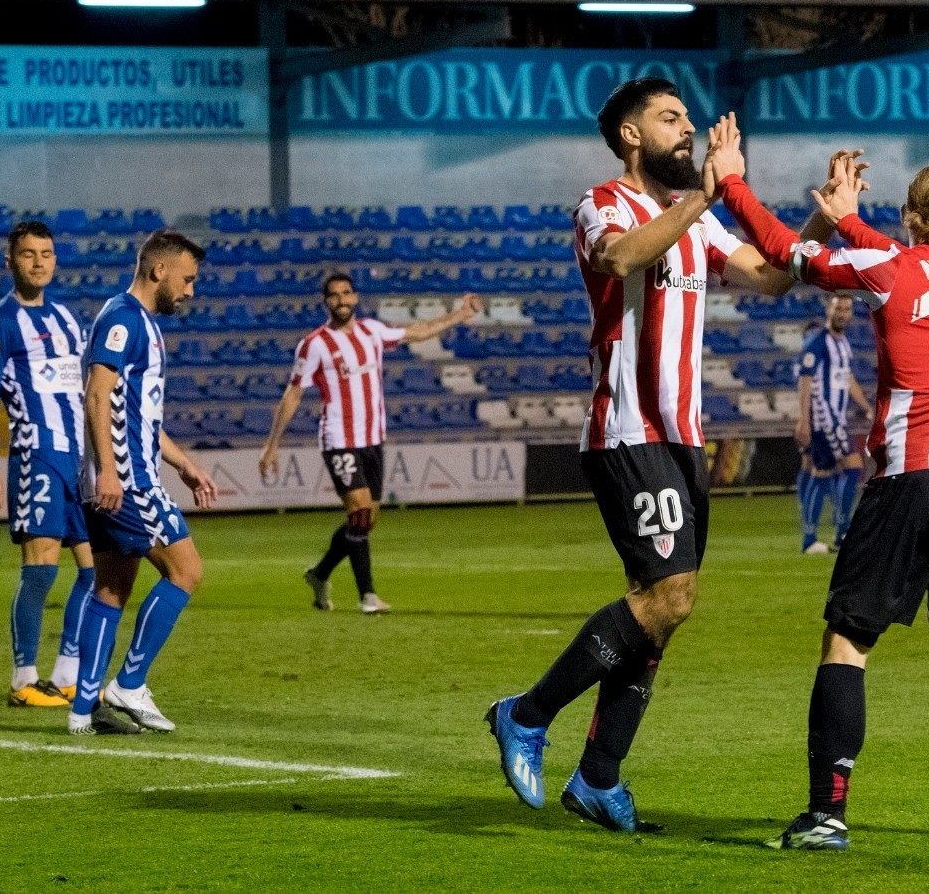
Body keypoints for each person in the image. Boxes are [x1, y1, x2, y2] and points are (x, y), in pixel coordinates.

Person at [485, 79, 835, 834]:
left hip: (681, 437)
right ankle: (526, 713)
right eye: (671, 120)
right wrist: (704, 198)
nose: (689, 131)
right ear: (631, 135)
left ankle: (599, 779)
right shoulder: (604, 202)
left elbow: (771, 278)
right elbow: (616, 262)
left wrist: (820, 222)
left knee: (664, 613)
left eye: (691, 120)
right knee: (668, 596)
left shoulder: (695, 224)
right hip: (628, 429)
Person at [717, 152, 929, 849]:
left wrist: (731, 182)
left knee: (848, 639)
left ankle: (827, 814)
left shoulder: (892, 268)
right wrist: (851, 219)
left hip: (915, 478)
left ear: (910, 216)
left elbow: (780, 251)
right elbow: (912, 261)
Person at [257, 273, 482, 614]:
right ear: (326, 302)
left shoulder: (372, 332)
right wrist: (272, 445)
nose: (341, 300)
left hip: (373, 438)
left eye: (346, 293)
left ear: (356, 297)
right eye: (333, 295)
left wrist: (458, 315)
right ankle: (368, 596)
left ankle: (320, 574)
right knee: (359, 512)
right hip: (338, 439)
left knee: (365, 520)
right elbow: (294, 392)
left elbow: (416, 331)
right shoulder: (315, 344)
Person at [69, 230, 218, 736]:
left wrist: (183, 462)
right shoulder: (122, 318)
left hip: (124, 475)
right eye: (188, 279)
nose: (191, 291)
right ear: (159, 270)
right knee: (187, 571)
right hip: (127, 481)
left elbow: (141, 418)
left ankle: (84, 710)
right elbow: (96, 394)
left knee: (111, 587)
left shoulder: (144, 325)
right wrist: (110, 471)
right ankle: (130, 683)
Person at [0, 220, 96, 708]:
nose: (39, 261)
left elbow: (85, 390)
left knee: (93, 570)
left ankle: (66, 675)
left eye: (46, 253)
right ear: (10, 262)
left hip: (78, 460)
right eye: (28, 254)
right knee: (41, 566)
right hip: (37, 454)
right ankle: (23, 679)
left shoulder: (67, 320)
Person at [794, 292, 871, 554]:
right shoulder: (818, 342)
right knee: (852, 467)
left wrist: (866, 408)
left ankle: (814, 539)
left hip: (835, 418)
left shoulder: (843, 343)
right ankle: (841, 531)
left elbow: (847, 380)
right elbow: (805, 380)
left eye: (847, 309)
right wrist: (804, 420)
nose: (843, 314)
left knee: (822, 473)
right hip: (824, 418)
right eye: (839, 308)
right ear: (829, 308)